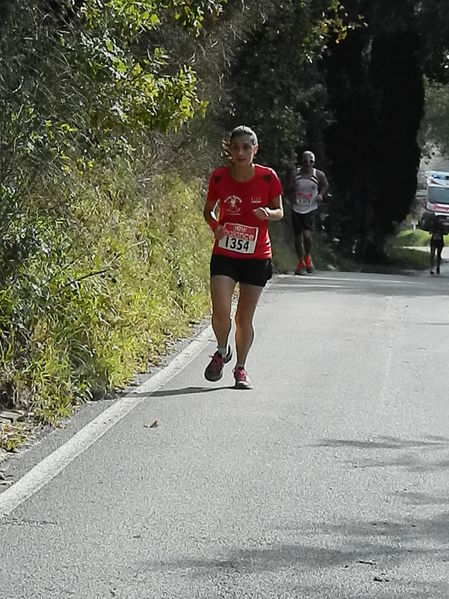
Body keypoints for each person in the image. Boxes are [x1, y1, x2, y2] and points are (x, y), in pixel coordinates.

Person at [203, 125, 283, 389]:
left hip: (257, 256)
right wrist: (217, 227)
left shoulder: (268, 178)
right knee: (221, 310)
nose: (240, 152)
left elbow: (279, 211)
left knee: (243, 319)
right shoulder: (218, 177)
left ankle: (240, 368)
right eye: (235, 147)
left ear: (255, 150)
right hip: (225, 252)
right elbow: (209, 211)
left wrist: (268, 214)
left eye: (246, 147)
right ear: (229, 150)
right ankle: (222, 349)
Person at [288, 150, 329, 274]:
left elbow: (325, 185)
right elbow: (288, 188)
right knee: (298, 237)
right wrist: (292, 194)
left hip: (310, 208)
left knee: (307, 235)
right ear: (301, 162)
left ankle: (307, 256)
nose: (308, 163)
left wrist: (321, 195)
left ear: (314, 162)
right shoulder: (295, 174)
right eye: (305, 161)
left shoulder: (318, 174)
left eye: (311, 161)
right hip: (297, 208)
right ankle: (301, 262)